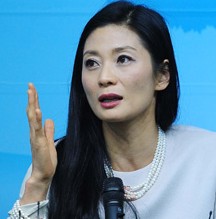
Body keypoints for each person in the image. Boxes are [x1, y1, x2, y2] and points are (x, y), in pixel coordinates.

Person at [8, 0, 216, 218]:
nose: (104, 78)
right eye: (92, 63)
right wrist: (39, 182)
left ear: (162, 75)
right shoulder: (53, 163)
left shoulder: (207, 156)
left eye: (123, 59)